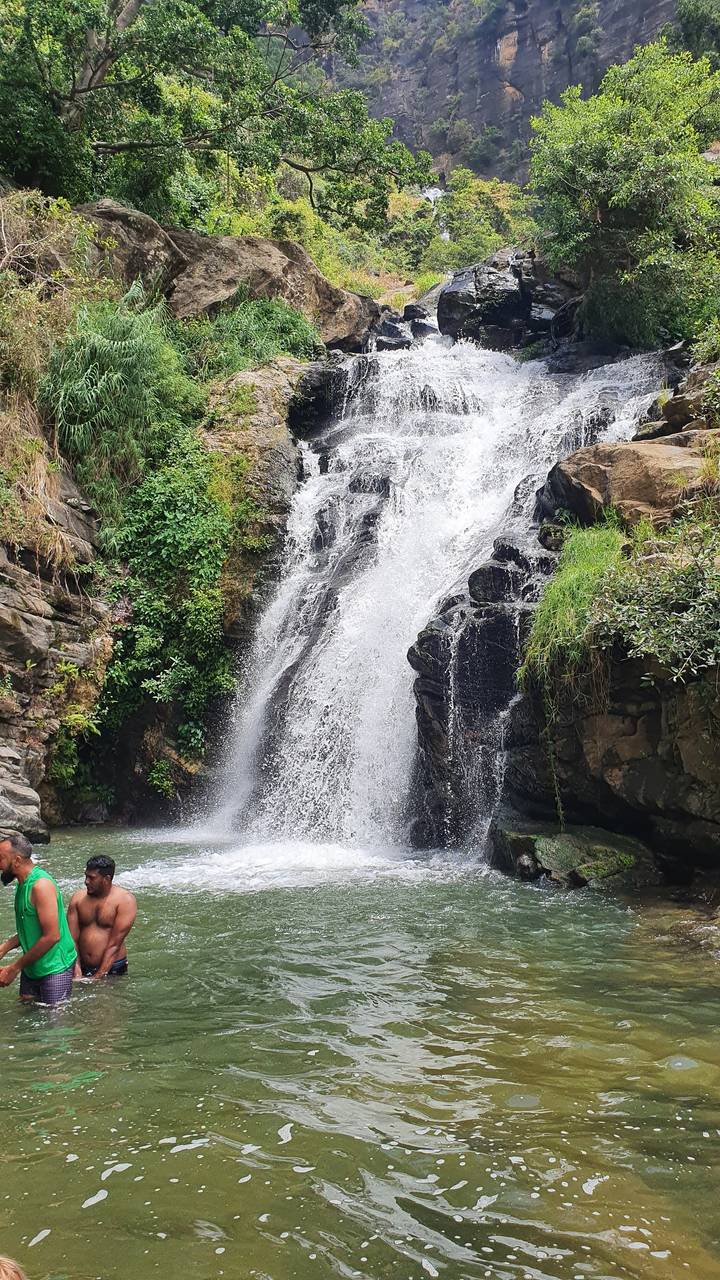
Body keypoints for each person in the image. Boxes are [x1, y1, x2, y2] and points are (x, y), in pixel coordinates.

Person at [0, 832, 77, 1005]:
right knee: (27, 1011)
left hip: (55, 966)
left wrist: (14, 967)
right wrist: (4, 948)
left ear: (17, 861)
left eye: (1, 859)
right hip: (32, 964)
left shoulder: (41, 886)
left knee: (54, 1025)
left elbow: (52, 936)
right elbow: (31, 929)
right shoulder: (22, 884)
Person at [67, 855, 137, 980]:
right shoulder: (78, 898)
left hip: (113, 967)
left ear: (106, 879)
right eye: (86, 876)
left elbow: (115, 944)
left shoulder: (125, 901)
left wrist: (99, 975)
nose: (86, 881)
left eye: (92, 878)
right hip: (81, 965)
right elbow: (71, 939)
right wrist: (77, 971)